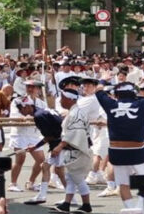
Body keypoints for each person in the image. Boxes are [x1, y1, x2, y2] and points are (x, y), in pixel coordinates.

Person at [94, 82, 144, 211]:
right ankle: (140, 208)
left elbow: (98, 91)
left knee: (123, 184)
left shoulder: (110, 104)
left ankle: (131, 209)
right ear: (134, 94)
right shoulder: (141, 104)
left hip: (116, 151)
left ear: (117, 95)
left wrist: (103, 81)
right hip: (136, 150)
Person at [49, 78, 95, 213]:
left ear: (69, 99)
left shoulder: (76, 113)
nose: (61, 100)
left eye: (62, 98)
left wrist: (59, 146)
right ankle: (66, 204)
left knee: (77, 178)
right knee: (70, 178)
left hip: (77, 150)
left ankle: (87, 205)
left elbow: (75, 134)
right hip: (74, 150)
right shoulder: (75, 112)